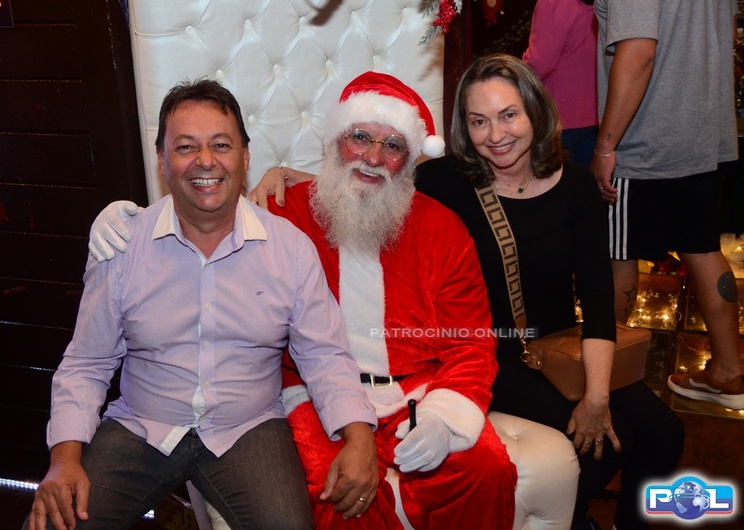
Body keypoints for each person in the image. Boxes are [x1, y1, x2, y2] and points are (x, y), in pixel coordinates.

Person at [231, 56, 685, 530]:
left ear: (535, 111)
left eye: (509, 114)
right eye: (478, 121)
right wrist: (282, 174)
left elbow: (596, 298)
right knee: (606, 442)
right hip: (500, 353)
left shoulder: (571, 186)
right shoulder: (449, 180)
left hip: (553, 346)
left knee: (661, 432)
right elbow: (362, 184)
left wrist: (595, 395)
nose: (496, 134)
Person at [89, 71, 518, 530]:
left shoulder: (443, 229)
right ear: (335, 142)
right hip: (314, 392)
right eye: (359, 138)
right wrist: (123, 219)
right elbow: (206, 207)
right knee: (338, 492)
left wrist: (444, 418)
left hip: (417, 391)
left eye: (393, 146)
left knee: (488, 471)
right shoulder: (284, 210)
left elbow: (471, 342)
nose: (374, 157)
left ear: (409, 160)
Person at [25, 79, 379, 530]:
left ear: (245, 157)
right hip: (143, 424)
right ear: (162, 159)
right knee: (53, 525)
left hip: (247, 427)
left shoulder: (289, 249)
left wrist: (359, 437)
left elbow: (324, 354)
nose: (205, 160)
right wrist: (64, 458)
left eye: (221, 145)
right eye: (186, 146)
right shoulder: (123, 245)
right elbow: (87, 362)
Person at [592, 0, 744, 410]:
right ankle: (728, 373)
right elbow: (727, 33)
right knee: (703, 248)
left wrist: (606, 146)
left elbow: (639, 51)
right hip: (703, 133)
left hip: (646, 138)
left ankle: (603, 378)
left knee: (618, 254)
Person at [523, 0, 598, 167]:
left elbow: (539, 65)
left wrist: (511, 79)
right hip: (595, 117)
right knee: (584, 181)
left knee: (551, 181)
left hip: (558, 118)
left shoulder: (553, 3)